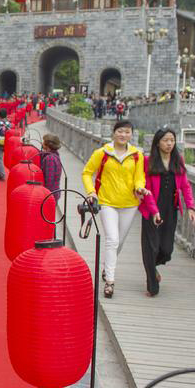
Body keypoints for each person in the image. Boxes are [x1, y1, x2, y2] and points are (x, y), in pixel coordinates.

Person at [82, 120, 147, 298]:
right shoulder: (102, 153)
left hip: (130, 204)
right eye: (120, 131)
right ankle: (110, 281)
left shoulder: (137, 155)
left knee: (119, 242)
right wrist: (91, 192)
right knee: (112, 239)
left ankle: (107, 267)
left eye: (127, 132)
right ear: (113, 133)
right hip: (107, 202)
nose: (123, 135)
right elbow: (87, 172)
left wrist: (140, 187)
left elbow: (139, 177)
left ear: (131, 135)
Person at [139, 129, 195, 297]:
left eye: (172, 140)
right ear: (158, 142)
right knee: (151, 247)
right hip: (151, 209)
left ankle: (153, 267)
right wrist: (154, 211)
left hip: (170, 209)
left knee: (166, 249)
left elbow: (185, 186)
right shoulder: (148, 161)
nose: (169, 143)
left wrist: (191, 207)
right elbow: (147, 189)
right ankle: (152, 285)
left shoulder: (178, 161)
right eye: (166, 140)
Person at [0, 108, 12, 180]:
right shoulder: (9, 123)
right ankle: (11, 173)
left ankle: (2, 174)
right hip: (7, 142)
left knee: (0, 158)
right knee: (9, 158)